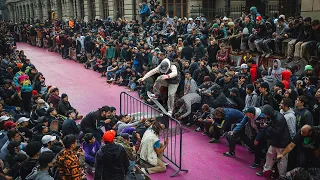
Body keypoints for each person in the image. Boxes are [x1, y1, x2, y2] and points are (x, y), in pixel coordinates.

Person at [256, 105, 291, 177]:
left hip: (282, 143)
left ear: (268, 112)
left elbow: (277, 133)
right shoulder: (273, 116)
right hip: (275, 141)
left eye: (264, 113)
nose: (264, 115)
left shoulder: (279, 119)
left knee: (281, 161)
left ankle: (282, 176)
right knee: (269, 156)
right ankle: (266, 171)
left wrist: (267, 126)